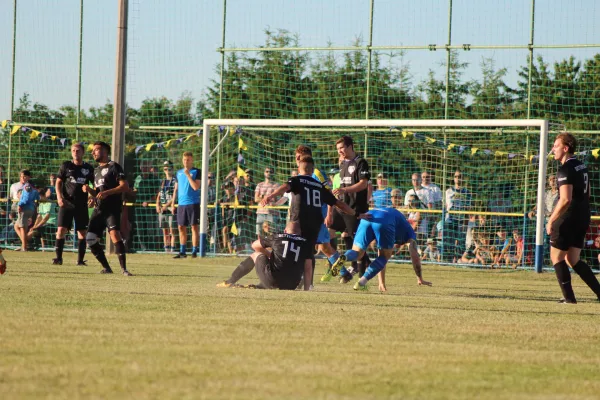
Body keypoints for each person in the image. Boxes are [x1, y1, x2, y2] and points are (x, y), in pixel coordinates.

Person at [261, 155, 356, 289]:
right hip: (315, 224)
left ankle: (290, 278)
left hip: (298, 223)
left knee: (294, 250)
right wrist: (355, 213)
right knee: (308, 254)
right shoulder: (319, 185)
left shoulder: (297, 180)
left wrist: (270, 196)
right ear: (312, 170)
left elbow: (284, 187)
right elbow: (337, 203)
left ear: (299, 168)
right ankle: (307, 286)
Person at [546, 132, 600, 304]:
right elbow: (588, 192)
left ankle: (569, 298)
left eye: (556, 145)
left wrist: (551, 220)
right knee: (573, 259)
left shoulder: (565, 169)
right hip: (583, 215)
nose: (553, 149)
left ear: (566, 148)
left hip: (569, 218)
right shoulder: (581, 166)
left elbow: (565, 199)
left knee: (557, 258)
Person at [330, 207, 432, 292]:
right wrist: (420, 278)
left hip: (368, 216)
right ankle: (361, 282)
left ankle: (344, 257)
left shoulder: (399, 224)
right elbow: (414, 256)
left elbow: (380, 254)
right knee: (384, 256)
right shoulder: (410, 234)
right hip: (384, 220)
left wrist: (381, 283)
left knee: (358, 254)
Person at [82, 141, 132, 276]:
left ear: (105, 151)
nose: (93, 152)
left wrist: (107, 193)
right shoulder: (96, 171)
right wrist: (90, 194)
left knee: (114, 234)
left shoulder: (114, 167)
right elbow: (98, 192)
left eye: (96, 150)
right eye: (93, 150)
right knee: (90, 239)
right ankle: (107, 268)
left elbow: (125, 186)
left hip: (112, 208)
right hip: (99, 209)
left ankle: (124, 269)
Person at [326, 136, 372, 283]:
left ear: (350, 146)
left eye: (342, 148)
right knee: (326, 234)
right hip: (342, 207)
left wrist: (345, 190)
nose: (340, 151)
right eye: (338, 149)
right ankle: (338, 268)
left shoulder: (361, 162)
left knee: (358, 245)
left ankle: (362, 277)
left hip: (356, 209)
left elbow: (364, 184)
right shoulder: (342, 164)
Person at [217, 221, 310, 290]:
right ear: (300, 232)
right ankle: (260, 286)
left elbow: (254, 245)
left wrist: (268, 254)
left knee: (256, 254)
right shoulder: (305, 243)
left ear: (285, 231)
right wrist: (306, 289)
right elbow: (308, 268)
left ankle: (229, 282)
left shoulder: (279, 236)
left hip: (273, 280)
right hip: (291, 285)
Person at [54, 143, 94, 266]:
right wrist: (59, 197)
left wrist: (91, 196)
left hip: (81, 204)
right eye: (73, 150)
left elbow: (95, 184)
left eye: (78, 150)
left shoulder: (88, 168)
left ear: (83, 153)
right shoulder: (66, 165)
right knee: (61, 230)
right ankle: (58, 258)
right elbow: (58, 182)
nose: (75, 152)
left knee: (82, 232)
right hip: (67, 203)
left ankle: (80, 261)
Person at [171, 151, 201, 258]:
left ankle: (194, 251)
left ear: (192, 160)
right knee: (180, 227)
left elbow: (196, 187)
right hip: (181, 204)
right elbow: (176, 189)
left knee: (193, 227)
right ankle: (182, 251)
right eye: (184, 160)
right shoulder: (178, 172)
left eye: (188, 160)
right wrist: (173, 203)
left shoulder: (197, 171)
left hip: (192, 203)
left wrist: (188, 175)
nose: (186, 162)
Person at [444, 170, 472, 262]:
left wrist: (466, 222)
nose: (457, 178)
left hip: (461, 219)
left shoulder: (467, 193)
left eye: (459, 176)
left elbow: (468, 209)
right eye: (456, 176)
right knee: (450, 241)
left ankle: (459, 259)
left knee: (460, 242)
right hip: (450, 219)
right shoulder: (448, 191)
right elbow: (446, 206)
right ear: (453, 178)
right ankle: (449, 259)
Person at [156, 160, 177, 253]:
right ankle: (166, 249)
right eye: (165, 168)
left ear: (172, 169)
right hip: (162, 209)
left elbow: (174, 196)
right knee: (165, 231)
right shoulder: (163, 181)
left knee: (172, 231)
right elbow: (159, 194)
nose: (167, 170)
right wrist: (157, 204)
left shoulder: (175, 181)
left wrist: (166, 205)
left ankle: (172, 249)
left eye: (169, 168)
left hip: (170, 208)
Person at [404, 173, 433, 240]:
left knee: (419, 239)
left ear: (421, 180)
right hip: (411, 218)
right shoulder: (409, 192)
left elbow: (430, 208)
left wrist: (427, 218)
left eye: (417, 180)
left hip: (422, 219)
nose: (415, 182)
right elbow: (406, 208)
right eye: (414, 180)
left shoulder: (427, 192)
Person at [254, 166, 280, 237]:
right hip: (260, 212)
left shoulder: (276, 185)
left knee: (272, 236)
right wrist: (267, 198)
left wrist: (264, 198)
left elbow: (278, 200)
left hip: (272, 213)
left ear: (273, 174)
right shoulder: (259, 185)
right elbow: (256, 199)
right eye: (267, 171)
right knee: (259, 235)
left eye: (270, 172)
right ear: (264, 173)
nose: (268, 173)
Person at [16, 181, 39, 251]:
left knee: (22, 228)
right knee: (16, 226)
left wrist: (20, 204)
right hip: (31, 209)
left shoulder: (27, 186)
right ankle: (24, 244)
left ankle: (24, 246)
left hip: (24, 208)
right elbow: (37, 198)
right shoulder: (35, 190)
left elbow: (26, 199)